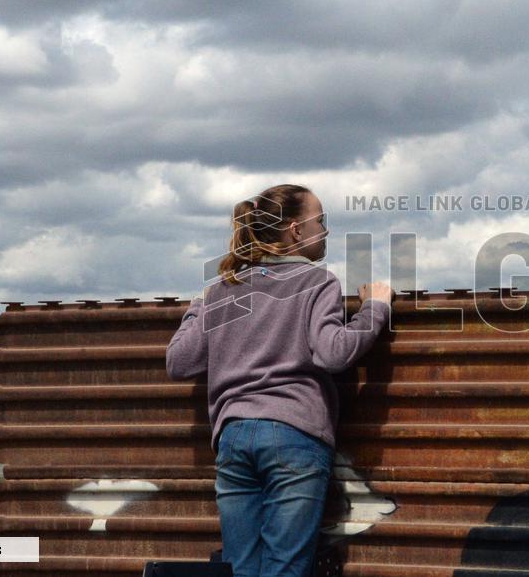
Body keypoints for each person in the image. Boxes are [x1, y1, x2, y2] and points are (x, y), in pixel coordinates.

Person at [165, 184, 393, 577]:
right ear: (296, 231)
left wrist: (198, 309)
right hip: (294, 435)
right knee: (285, 569)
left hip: (233, 438)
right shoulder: (316, 282)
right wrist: (374, 308)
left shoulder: (223, 291)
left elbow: (179, 362)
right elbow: (333, 352)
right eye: (321, 221)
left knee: (240, 569)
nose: (326, 231)